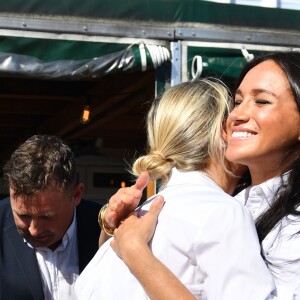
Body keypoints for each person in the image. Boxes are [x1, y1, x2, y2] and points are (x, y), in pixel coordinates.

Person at [99, 51, 300, 299]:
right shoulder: (224, 206)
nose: (237, 115)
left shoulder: (225, 211)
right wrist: (112, 231)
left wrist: (135, 251)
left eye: (262, 101)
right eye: (237, 102)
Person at [0, 134, 102, 300]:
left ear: (76, 195)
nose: (34, 230)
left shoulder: (107, 230)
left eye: (46, 217)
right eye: (23, 215)